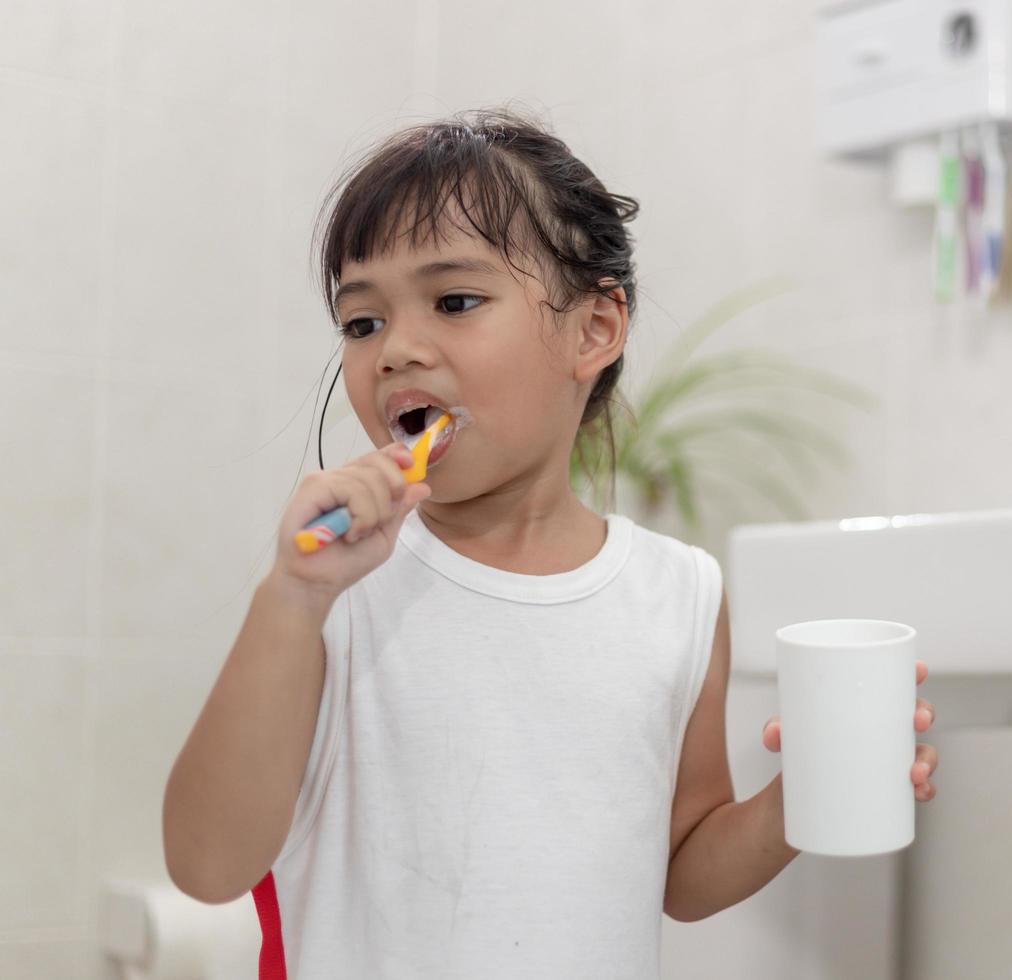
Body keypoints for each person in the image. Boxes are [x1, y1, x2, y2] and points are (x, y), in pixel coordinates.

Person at [162, 106, 939, 978]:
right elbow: (207, 865)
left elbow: (681, 870)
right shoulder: (335, 590)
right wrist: (292, 599)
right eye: (362, 321)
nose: (395, 351)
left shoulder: (680, 594)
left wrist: (803, 794)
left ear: (594, 331)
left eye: (455, 301)